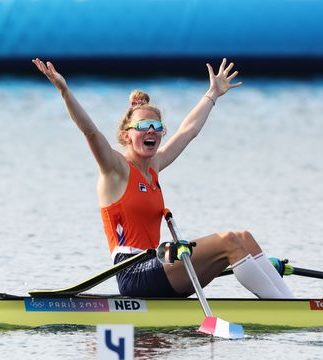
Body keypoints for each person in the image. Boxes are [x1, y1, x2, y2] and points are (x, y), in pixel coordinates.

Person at [32, 58, 294, 299]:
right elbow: (90, 132)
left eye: (157, 127)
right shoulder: (116, 168)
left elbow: (188, 131)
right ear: (126, 136)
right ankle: (285, 310)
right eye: (143, 127)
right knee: (228, 241)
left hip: (158, 264)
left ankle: (290, 304)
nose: (152, 132)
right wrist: (64, 91)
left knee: (243, 237)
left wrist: (212, 94)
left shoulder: (154, 166)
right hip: (133, 273)